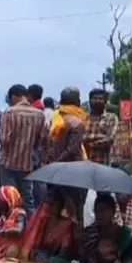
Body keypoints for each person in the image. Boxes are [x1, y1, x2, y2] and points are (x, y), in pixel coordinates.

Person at [48, 194, 132, 263]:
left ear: (113, 212)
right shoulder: (90, 231)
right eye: (97, 210)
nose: (100, 214)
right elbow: (82, 258)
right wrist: (79, 240)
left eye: (104, 210)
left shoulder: (123, 233)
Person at [0, 84, 49, 213]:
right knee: (28, 198)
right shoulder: (39, 114)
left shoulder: (9, 113)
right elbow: (44, 139)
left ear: (14, 96)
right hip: (28, 163)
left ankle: (13, 225)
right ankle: (31, 227)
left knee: (11, 197)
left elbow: (4, 140)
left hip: (8, 163)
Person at [48, 87, 87, 225]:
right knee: (77, 206)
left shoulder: (56, 118)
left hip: (55, 170)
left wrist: (54, 163)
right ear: (77, 101)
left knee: (57, 205)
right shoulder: (77, 121)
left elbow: (49, 144)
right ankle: (78, 234)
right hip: (74, 170)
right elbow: (73, 149)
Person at [18, 188, 79, 263]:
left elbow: (63, 254)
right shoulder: (44, 220)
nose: (48, 207)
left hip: (54, 261)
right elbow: (36, 245)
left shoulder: (67, 224)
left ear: (60, 205)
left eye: (52, 204)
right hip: (39, 257)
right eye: (47, 203)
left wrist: (47, 262)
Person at [83, 89, 118, 166]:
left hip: (103, 163)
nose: (97, 101)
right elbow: (80, 139)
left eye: (100, 99)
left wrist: (88, 144)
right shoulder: (84, 118)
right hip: (85, 163)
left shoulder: (111, 117)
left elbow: (110, 139)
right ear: (90, 101)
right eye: (95, 98)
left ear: (105, 102)